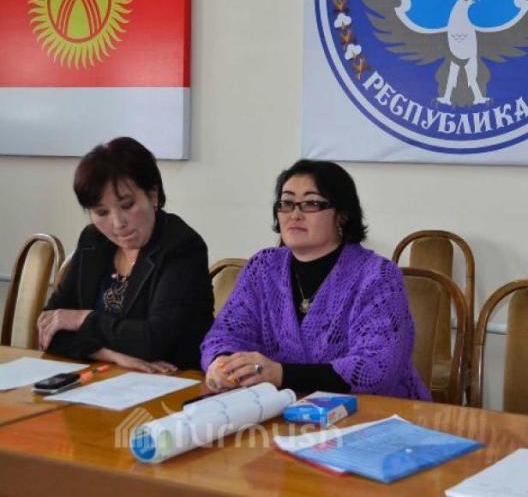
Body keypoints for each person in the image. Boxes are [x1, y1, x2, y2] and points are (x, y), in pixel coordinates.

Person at [201, 159, 430, 400]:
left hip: (376, 411)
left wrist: (281, 374)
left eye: (311, 203)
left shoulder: (377, 275)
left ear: (342, 215)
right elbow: (224, 334)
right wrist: (221, 363)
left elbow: (375, 369)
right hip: (281, 407)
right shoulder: (263, 267)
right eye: (286, 203)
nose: (295, 214)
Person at [39, 137, 214, 372]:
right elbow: (49, 327)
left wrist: (82, 319)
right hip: (106, 377)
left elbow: (152, 340)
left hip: (173, 381)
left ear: (153, 195)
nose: (118, 223)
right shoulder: (93, 241)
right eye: (102, 212)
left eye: (127, 205)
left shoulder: (182, 247)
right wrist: (111, 355)